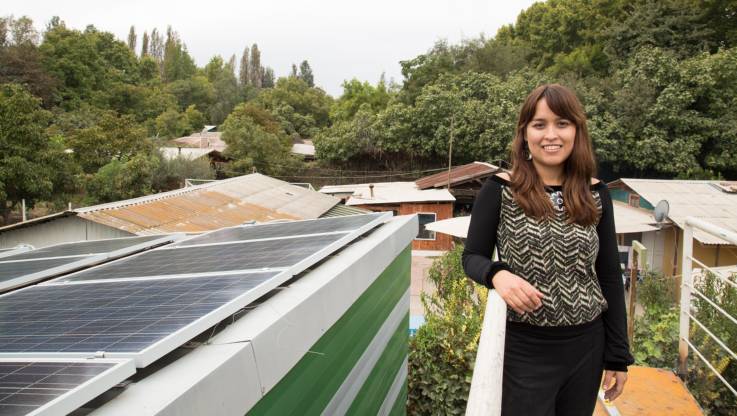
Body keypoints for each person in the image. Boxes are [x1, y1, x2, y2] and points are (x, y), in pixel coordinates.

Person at [462, 84, 634, 415]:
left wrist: (617, 354)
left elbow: (609, 274)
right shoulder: (499, 189)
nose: (550, 134)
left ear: (576, 131)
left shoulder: (595, 193)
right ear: (525, 133)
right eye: (539, 124)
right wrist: (498, 276)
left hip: (587, 346)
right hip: (524, 347)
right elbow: (472, 257)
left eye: (562, 123)